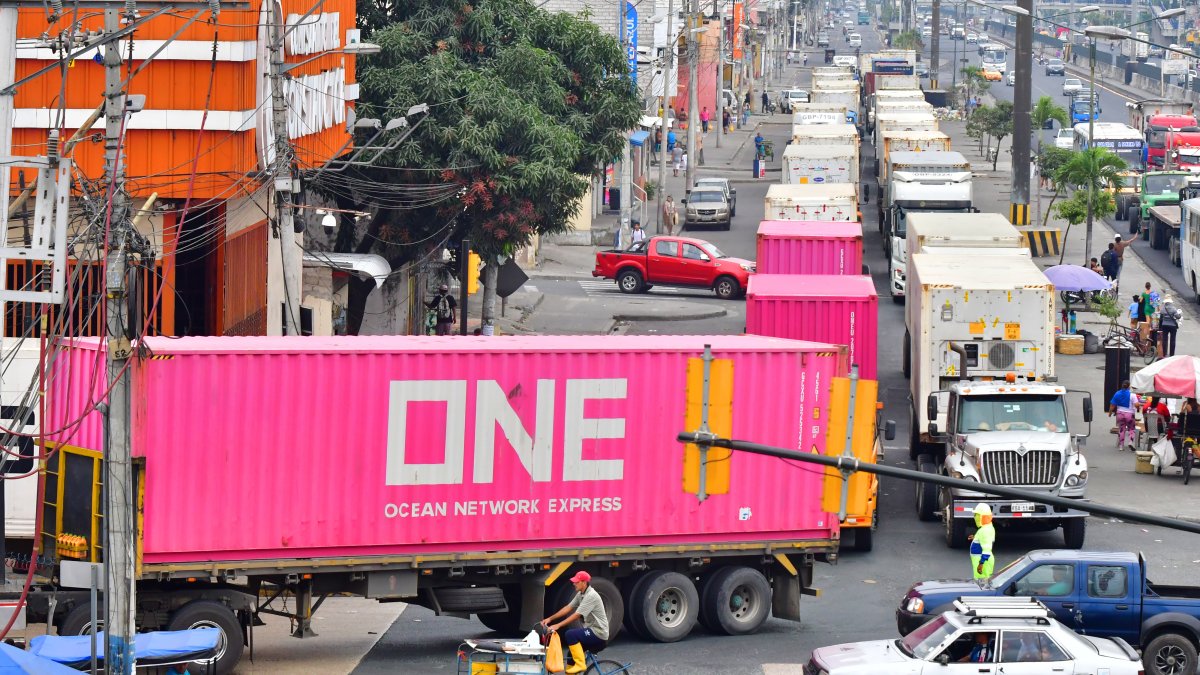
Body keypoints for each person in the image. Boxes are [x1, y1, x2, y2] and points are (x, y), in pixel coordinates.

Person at [541, 571, 610, 674]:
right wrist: (550, 619)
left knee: (570, 634)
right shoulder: (581, 594)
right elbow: (567, 608)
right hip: (592, 630)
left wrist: (558, 625)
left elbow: (577, 615)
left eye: (576, 582)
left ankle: (580, 664)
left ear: (584, 582)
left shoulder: (591, 595)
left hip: (599, 633)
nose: (574, 584)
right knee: (571, 654)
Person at [968, 503, 995, 581]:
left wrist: (981, 563)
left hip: (983, 562)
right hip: (981, 561)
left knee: (983, 583)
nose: (975, 517)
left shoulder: (985, 530)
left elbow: (987, 549)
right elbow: (985, 539)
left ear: (982, 517)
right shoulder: (987, 527)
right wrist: (975, 538)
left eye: (976, 515)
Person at [1109, 379, 1139, 448]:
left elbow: (1112, 405)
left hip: (1119, 414)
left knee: (1122, 429)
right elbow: (1137, 405)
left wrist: (1110, 413)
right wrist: (1137, 408)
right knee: (1132, 429)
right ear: (1129, 386)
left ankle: (1121, 446)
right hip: (1129, 415)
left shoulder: (1117, 393)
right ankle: (1130, 442)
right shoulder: (1132, 395)